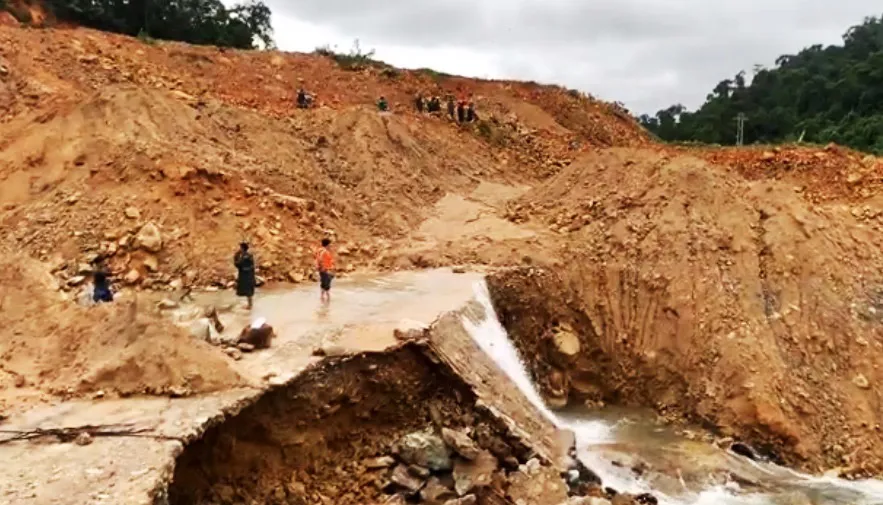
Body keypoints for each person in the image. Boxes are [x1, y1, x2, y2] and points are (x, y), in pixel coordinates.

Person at [234, 242, 256, 309]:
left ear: (242, 248)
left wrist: (236, 256)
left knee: (248, 291)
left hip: (246, 276)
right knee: (248, 290)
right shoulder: (248, 255)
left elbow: (238, 264)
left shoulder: (245, 257)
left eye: (240, 248)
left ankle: (250, 305)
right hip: (249, 275)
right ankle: (250, 304)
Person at [315, 238, 335, 303]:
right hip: (325, 269)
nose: (331, 246)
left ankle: (323, 297)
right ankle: (327, 298)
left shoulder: (320, 250)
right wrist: (323, 268)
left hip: (324, 269)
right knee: (326, 283)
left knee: (324, 282)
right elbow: (320, 260)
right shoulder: (324, 251)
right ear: (327, 245)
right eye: (330, 245)